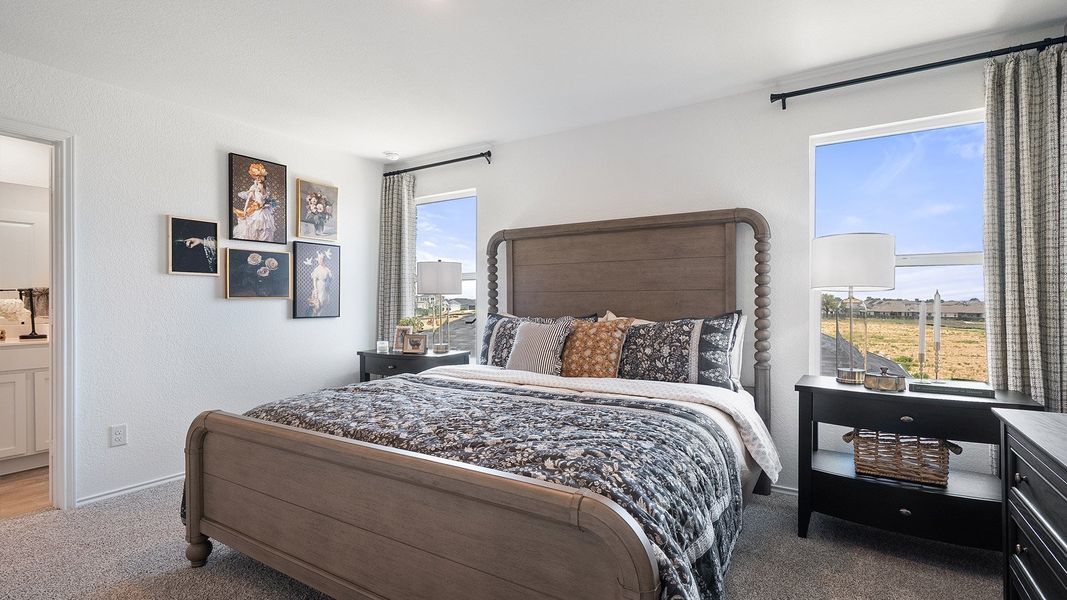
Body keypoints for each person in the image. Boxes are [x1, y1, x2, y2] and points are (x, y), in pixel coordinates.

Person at [232, 163, 277, 241]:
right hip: (258, 211)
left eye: (261, 177)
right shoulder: (254, 187)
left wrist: (267, 205)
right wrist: (245, 211)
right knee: (255, 229)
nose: (259, 179)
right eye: (257, 177)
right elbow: (248, 200)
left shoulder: (266, 189)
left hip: (265, 212)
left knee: (266, 230)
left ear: (264, 177)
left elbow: (267, 200)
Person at [305, 250, 334, 316]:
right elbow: (314, 280)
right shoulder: (317, 269)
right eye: (320, 259)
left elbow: (331, 278)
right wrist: (315, 289)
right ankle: (316, 315)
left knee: (324, 302)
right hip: (319, 286)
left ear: (324, 260)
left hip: (325, 287)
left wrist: (329, 282)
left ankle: (321, 315)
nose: (321, 260)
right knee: (318, 303)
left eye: (322, 259)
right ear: (318, 260)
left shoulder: (327, 269)